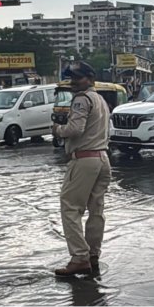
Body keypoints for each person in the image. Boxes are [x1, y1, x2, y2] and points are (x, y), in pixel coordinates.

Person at [52, 61, 112, 278]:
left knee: (70, 207)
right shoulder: (100, 100)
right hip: (102, 159)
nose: (74, 82)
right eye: (72, 78)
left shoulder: (81, 99)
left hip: (85, 159)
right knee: (96, 211)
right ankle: (93, 255)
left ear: (89, 78)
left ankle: (79, 258)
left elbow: (74, 129)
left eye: (78, 78)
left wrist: (58, 129)